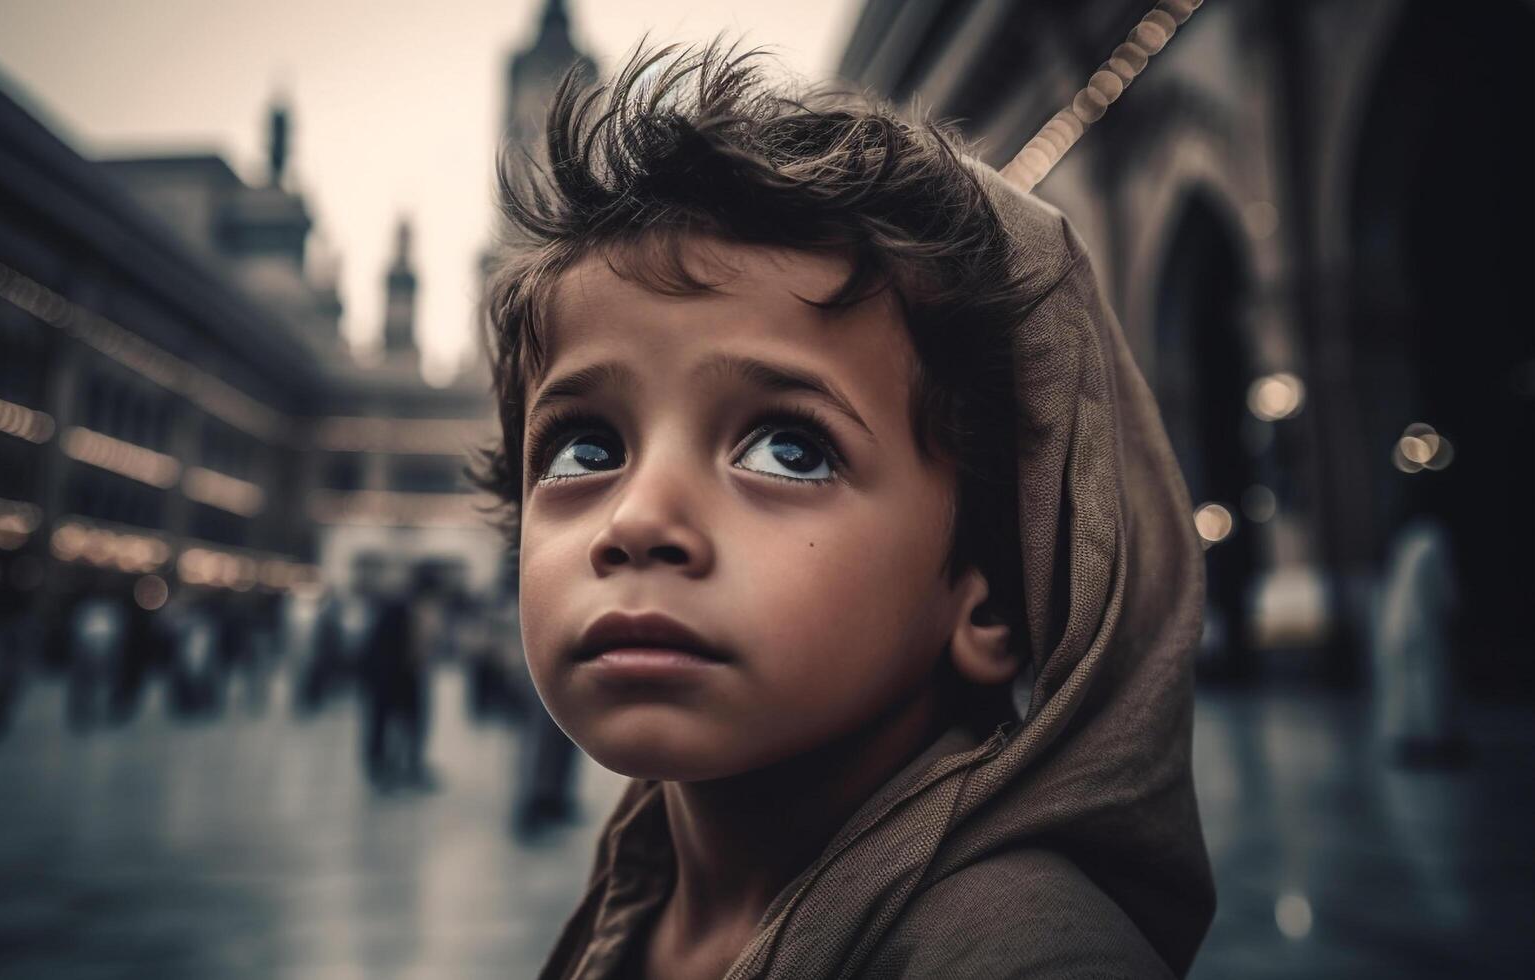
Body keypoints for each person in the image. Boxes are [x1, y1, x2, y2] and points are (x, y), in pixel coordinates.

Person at [469, 42, 1213, 979]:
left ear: (986, 594)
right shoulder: (646, 898)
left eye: (789, 448)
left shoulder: (1024, 954)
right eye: (588, 449)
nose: (637, 520)